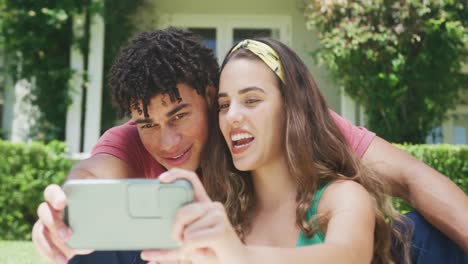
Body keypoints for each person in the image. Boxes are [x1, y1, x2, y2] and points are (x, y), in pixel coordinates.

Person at [31, 28, 468, 263]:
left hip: (343, 241)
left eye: (181, 115)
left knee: (422, 233)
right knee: (105, 249)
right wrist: (61, 213)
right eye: (147, 123)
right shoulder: (138, 140)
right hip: (223, 235)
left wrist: (236, 256)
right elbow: (91, 176)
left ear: (205, 93)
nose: (166, 141)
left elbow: (409, 180)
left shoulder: (305, 135)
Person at [140, 38, 412, 263]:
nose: (232, 115)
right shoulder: (223, 211)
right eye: (224, 105)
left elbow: (346, 256)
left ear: (290, 109)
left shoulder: (341, 198)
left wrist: (239, 255)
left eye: (251, 100)